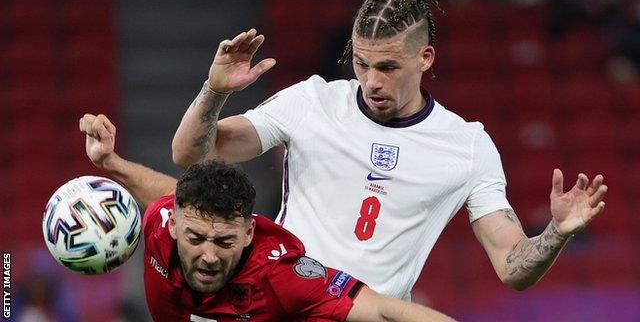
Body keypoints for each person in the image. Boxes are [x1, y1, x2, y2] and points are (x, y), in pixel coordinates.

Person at [171, 0, 608, 300]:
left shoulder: (467, 146)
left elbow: (512, 266)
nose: (370, 82)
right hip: (281, 306)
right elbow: (190, 153)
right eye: (361, 64)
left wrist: (556, 232)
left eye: (387, 67)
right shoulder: (312, 102)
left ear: (425, 58)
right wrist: (215, 92)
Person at [79, 113, 454, 322]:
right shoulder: (161, 221)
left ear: (247, 233)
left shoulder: (282, 276)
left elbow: (387, 312)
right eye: (196, 239)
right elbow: (168, 195)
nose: (209, 255)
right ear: (173, 225)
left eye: (224, 242)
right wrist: (111, 164)